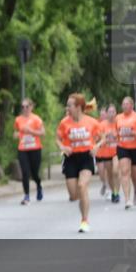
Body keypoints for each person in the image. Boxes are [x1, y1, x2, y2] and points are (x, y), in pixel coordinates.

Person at [56, 93, 101, 233]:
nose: (67, 108)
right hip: (70, 158)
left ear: (78, 107)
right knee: (74, 195)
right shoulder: (64, 122)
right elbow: (57, 139)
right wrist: (63, 147)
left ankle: (84, 220)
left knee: (82, 186)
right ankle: (82, 199)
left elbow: (103, 137)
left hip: (86, 157)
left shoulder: (91, 122)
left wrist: (97, 146)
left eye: (69, 105)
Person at [115, 96, 136, 209]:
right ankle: (127, 199)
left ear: (132, 105)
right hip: (122, 147)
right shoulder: (118, 118)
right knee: (124, 172)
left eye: (127, 104)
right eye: (123, 104)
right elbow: (115, 131)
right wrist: (116, 135)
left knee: (134, 174)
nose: (124, 106)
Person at [13, 98, 45, 205]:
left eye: (27, 106)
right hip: (23, 149)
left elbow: (43, 133)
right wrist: (16, 134)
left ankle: (39, 186)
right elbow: (16, 132)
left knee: (34, 173)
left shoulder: (36, 119)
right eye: (22, 107)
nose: (25, 109)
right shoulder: (18, 119)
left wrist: (31, 131)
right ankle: (26, 195)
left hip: (35, 148)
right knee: (25, 172)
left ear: (31, 107)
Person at [95, 104, 119, 203]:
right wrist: (105, 136)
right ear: (107, 113)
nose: (111, 114)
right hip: (105, 153)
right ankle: (114, 192)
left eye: (113, 112)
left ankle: (117, 193)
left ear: (116, 113)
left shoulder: (119, 123)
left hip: (117, 152)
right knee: (109, 174)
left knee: (115, 171)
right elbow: (96, 138)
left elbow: (124, 134)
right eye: (109, 112)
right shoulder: (101, 125)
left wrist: (116, 135)